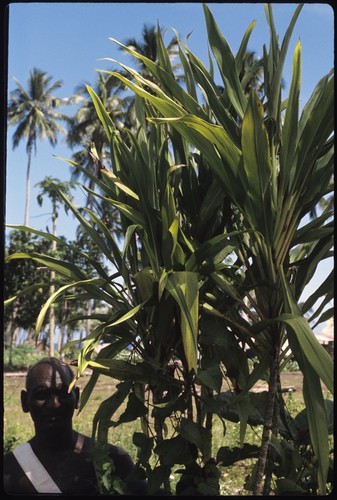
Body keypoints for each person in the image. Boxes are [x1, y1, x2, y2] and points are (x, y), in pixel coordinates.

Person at [3, 356, 147, 495]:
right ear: (24, 401)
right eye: (41, 394)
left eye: (63, 393)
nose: (54, 404)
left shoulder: (113, 462)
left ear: (77, 397)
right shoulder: (9, 469)